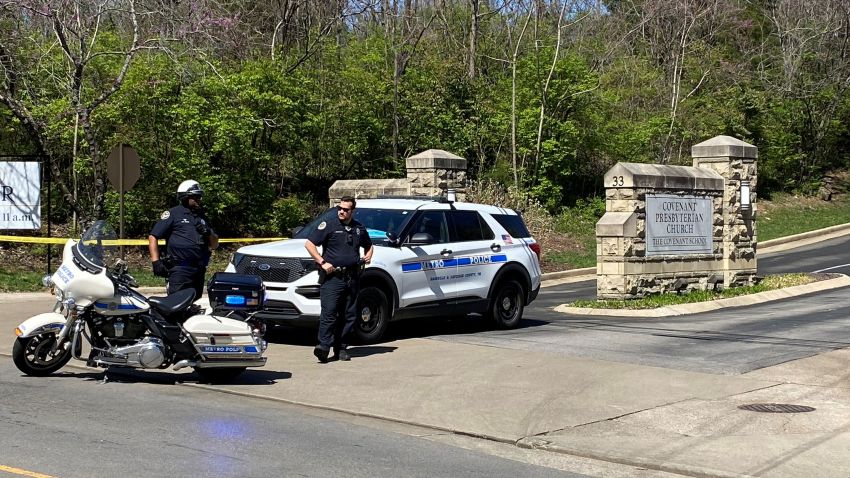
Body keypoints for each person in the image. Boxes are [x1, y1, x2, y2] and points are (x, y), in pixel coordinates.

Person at [305, 195, 373, 363]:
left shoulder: (359, 228)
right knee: (329, 312)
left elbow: (369, 245)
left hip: (352, 277)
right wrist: (322, 262)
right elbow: (309, 244)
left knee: (348, 315)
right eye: (340, 209)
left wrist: (368, 256)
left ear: (353, 211)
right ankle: (323, 347)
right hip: (333, 277)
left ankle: (341, 348)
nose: (342, 212)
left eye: (345, 209)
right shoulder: (329, 225)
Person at [148, 179, 219, 300]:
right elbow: (153, 236)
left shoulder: (202, 217)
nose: (199, 199)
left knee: (194, 301)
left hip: (198, 269)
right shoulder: (173, 214)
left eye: (199, 196)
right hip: (179, 269)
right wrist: (156, 261)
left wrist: (208, 233)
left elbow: (215, 245)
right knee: (176, 302)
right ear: (185, 197)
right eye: (195, 197)